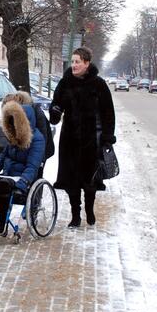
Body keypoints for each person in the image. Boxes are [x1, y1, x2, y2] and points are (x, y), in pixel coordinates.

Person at [50, 46, 115, 228]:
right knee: (72, 180)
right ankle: (75, 216)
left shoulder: (99, 85)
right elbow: (56, 107)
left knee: (90, 180)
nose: (74, 65)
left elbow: (108, 113)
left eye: (77, 62)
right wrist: (54, 111)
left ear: (87, 63)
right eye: (72, 62)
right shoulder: (65, 83)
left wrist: (108, 137)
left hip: (91, 141)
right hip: (69, 140)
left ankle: (89, 210)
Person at [0, 98, 46, 235]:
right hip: (8, 174)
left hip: (22, 178)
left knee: (4, 186)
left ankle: (1, 224)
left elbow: (32, 166)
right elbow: (5, 154)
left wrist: (23, 181)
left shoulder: (37, 140)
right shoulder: (14, 136)